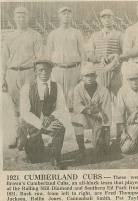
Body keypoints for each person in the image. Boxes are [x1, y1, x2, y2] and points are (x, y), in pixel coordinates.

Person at [2, 7, 43, 148]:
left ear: (28, 17)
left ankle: (32, 137)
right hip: (12, 73)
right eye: (18, 16)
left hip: (29, 73)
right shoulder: (8, 37)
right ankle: (19, 136)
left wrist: (38, 77)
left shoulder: (35, 35)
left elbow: (40, 58)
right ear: (14, 18)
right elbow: (3, 59)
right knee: (15, 108)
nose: (21, 19)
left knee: (30, 106)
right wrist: (2, 78)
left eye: (24, 16)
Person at [18, 57, 67, 169]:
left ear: (51, 71)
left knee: (59, 127)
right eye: (40, 70)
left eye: (47, 70)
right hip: (32, 125)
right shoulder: (27, 88)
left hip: (49, 121)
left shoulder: (57, 86)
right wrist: (42, 126)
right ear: (35, 71)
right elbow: (25, 113)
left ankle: (56, 157)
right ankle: (31, 147)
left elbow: (62, 108)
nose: (44, 73)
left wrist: (51, 118)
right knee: (35, 159)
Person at [71, 62, 112, 162]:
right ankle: (82, 150)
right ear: (82, 77)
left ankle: (100, 143)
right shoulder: (78, 89)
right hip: (86, 117)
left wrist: (106, 131)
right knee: (76, 119)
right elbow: (77, 106)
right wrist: (89, 111)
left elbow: (107, 111)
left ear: (96, 76)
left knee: (100, 152)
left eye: (92, 75)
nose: (89, 78)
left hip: (98, 119)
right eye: (87, 75)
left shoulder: (103, 90)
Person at [47, 6, 84, 110]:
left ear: (71, 16)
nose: (66, 16)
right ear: (59, 16)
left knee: (72, 96)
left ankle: (73, 122)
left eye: (69, 13)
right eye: (64, 14)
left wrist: (83, 71)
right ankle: (60, 123)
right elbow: (48, 55)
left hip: (74, 69)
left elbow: (83, 53)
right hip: (57, 69)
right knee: (58, 97)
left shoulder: (77, 33)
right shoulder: (53, 34)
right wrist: (49, 72)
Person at [86, 9, 123, 97]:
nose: (107, 20)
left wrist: (117, 57)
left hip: (115, 72)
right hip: (99, 72)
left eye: (109, 17)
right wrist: (99, 59)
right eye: (104, 17)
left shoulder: (120, 35)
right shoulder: (94, 36)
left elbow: (126, 54)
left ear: (113, 19)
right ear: (101, 20)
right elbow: (89, 55)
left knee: (115, 98)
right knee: (100, 98)